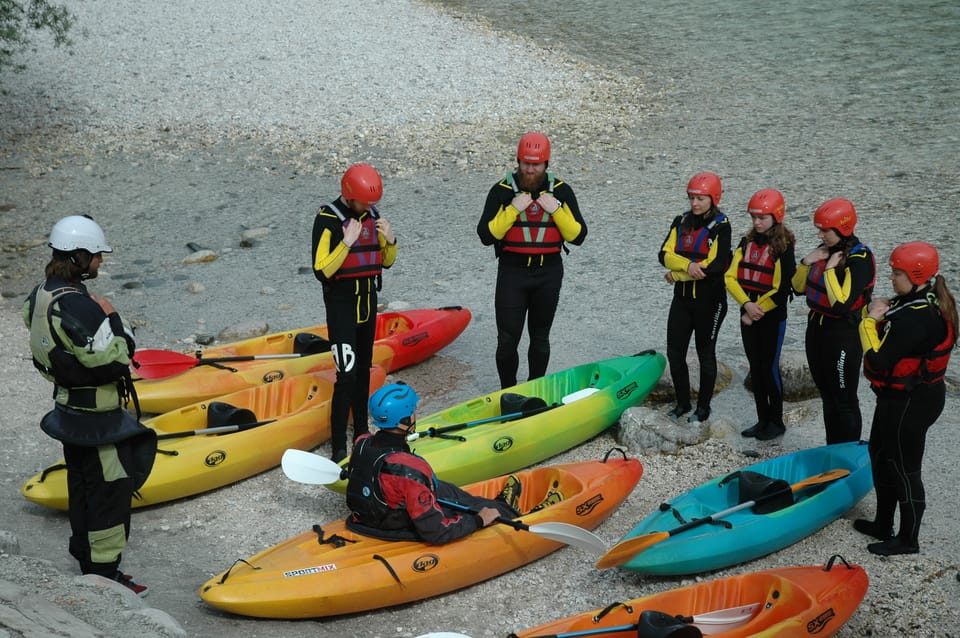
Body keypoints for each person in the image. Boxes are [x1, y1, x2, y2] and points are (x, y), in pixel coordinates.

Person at [23, 215, 157, 596]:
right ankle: (105, 571)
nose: (101, 261)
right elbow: (118, 359)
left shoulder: (39, 295)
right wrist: (113, 316)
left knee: (81, 484)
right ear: (78, 256)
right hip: (97, 418)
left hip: (67, 410)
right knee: (109, 489)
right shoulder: (81, 307)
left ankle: (85, 557)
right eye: (97, 255)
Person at [854, 242, 956, 556]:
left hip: (912, 402)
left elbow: (877, 359)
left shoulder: (918, 316)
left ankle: (908, 538)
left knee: (903, 467)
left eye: (897, 272)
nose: (891, 276)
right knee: (879, 453)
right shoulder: (918, 298)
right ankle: (883, 523)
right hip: (899, 397)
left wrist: (868, 321)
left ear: (916, 275)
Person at [344, 383, 523, 545]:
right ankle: (514, 513)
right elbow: (437, 531)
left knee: (450, 490)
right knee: (474, 510)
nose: (416, 414)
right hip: (394, 524)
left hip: (370, 516)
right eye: (413, 410)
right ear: (404, 421)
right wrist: (479, 520)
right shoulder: (411, 469)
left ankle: (499, 504)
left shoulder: (362, 442)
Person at [476, 132, 587, 389]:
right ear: (518, 161)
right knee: (507, 340)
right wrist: (513, 209)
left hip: (548, 273)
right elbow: (485, 235)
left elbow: (579, 236)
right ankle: (508, 391)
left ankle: (534, 388)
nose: (530, 169)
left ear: (546, 164)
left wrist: (556, 210)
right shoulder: (501, 192)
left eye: (536, 164)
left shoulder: (561, 191)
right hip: (512, 273)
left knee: (540, 339)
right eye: (525, 163)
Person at [311, 163, 398, 462]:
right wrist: (347, 242)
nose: (369, 207)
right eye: (364, 201)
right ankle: (338, 446)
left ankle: (362, 432)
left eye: (373, 202)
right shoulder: (327, 220)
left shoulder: (372, 216)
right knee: (345, 375)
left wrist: (391, 240)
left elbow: (386, 262)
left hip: (367, 304)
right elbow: (322, 270)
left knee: (363, 372)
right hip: (342, 307)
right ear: (349, 195)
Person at [790, 198, 875, 444]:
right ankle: (832, 448)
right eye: (819, 229)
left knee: (844, 399)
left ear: (843, 228)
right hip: (816, 330)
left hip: (843, 335)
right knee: (827, 396)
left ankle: (848, 453)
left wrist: (828, 269)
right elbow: (796, 287)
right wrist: (807, 261)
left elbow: (842, 302)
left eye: (825, 230)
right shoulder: (823, 250)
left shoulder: (860, 260)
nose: (820, 234)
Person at [659, 172, 731, 424]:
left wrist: (678, 275)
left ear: (714, 198)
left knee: (705, 354)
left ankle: (703, 407)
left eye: (700, 198)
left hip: (710, 302)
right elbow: (664, 254)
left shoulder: (722, 226)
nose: (695, 204)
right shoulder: (680, 222)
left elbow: (715, 266)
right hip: (682, 302)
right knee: (675, 353)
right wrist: (688, 267)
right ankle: (682, 403)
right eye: (691, 198)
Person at [724, 189, 796, 440]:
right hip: (748, 314)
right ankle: (762, 419)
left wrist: (757, 310)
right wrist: (746, 305)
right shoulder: (746, 243)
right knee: (756, 368)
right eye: (754, 217)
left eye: (762, 217)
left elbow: (782, 288)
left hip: (772, 318)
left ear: (776, 216)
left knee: (769, 369)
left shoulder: (784, 248)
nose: (756, 222)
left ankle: (776, 421)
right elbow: (730, 277)